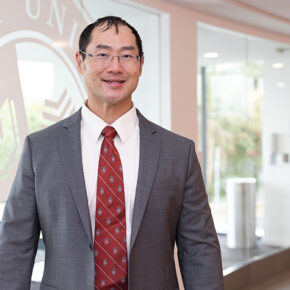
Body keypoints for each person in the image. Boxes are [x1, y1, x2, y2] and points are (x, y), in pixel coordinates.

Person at [0, 16, 223, 290]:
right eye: (103, 54)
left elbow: (199, 248)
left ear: (141, 65)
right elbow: (14, 246)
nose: (115, 67)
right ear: (80, 62)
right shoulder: (40, 149)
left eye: (127, 56)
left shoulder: (179, 153)